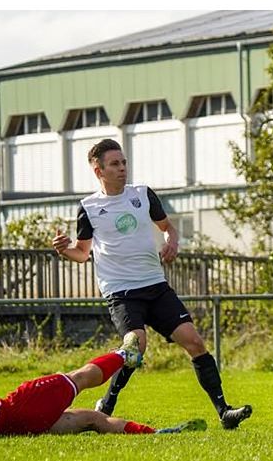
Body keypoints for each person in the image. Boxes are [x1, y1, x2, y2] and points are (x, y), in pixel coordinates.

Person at [51, 138, 251, 429]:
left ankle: (224, 412)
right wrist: (62, 249)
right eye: (114, 164)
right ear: (99, 171)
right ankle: (106, 404)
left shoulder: (142, 194)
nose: (122, 168)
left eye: (124, 162)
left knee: (194, 341)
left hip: (156, 285)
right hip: (121, 292)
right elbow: (82, 253)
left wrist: (173, 241)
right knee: (136, 346)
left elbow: (167, 227)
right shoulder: (89, 207)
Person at [0, 334, 207, 439]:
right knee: (78, 378)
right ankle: (125, 354)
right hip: (17, 408)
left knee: (90, 418)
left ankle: (157, 434)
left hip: (17, 425)